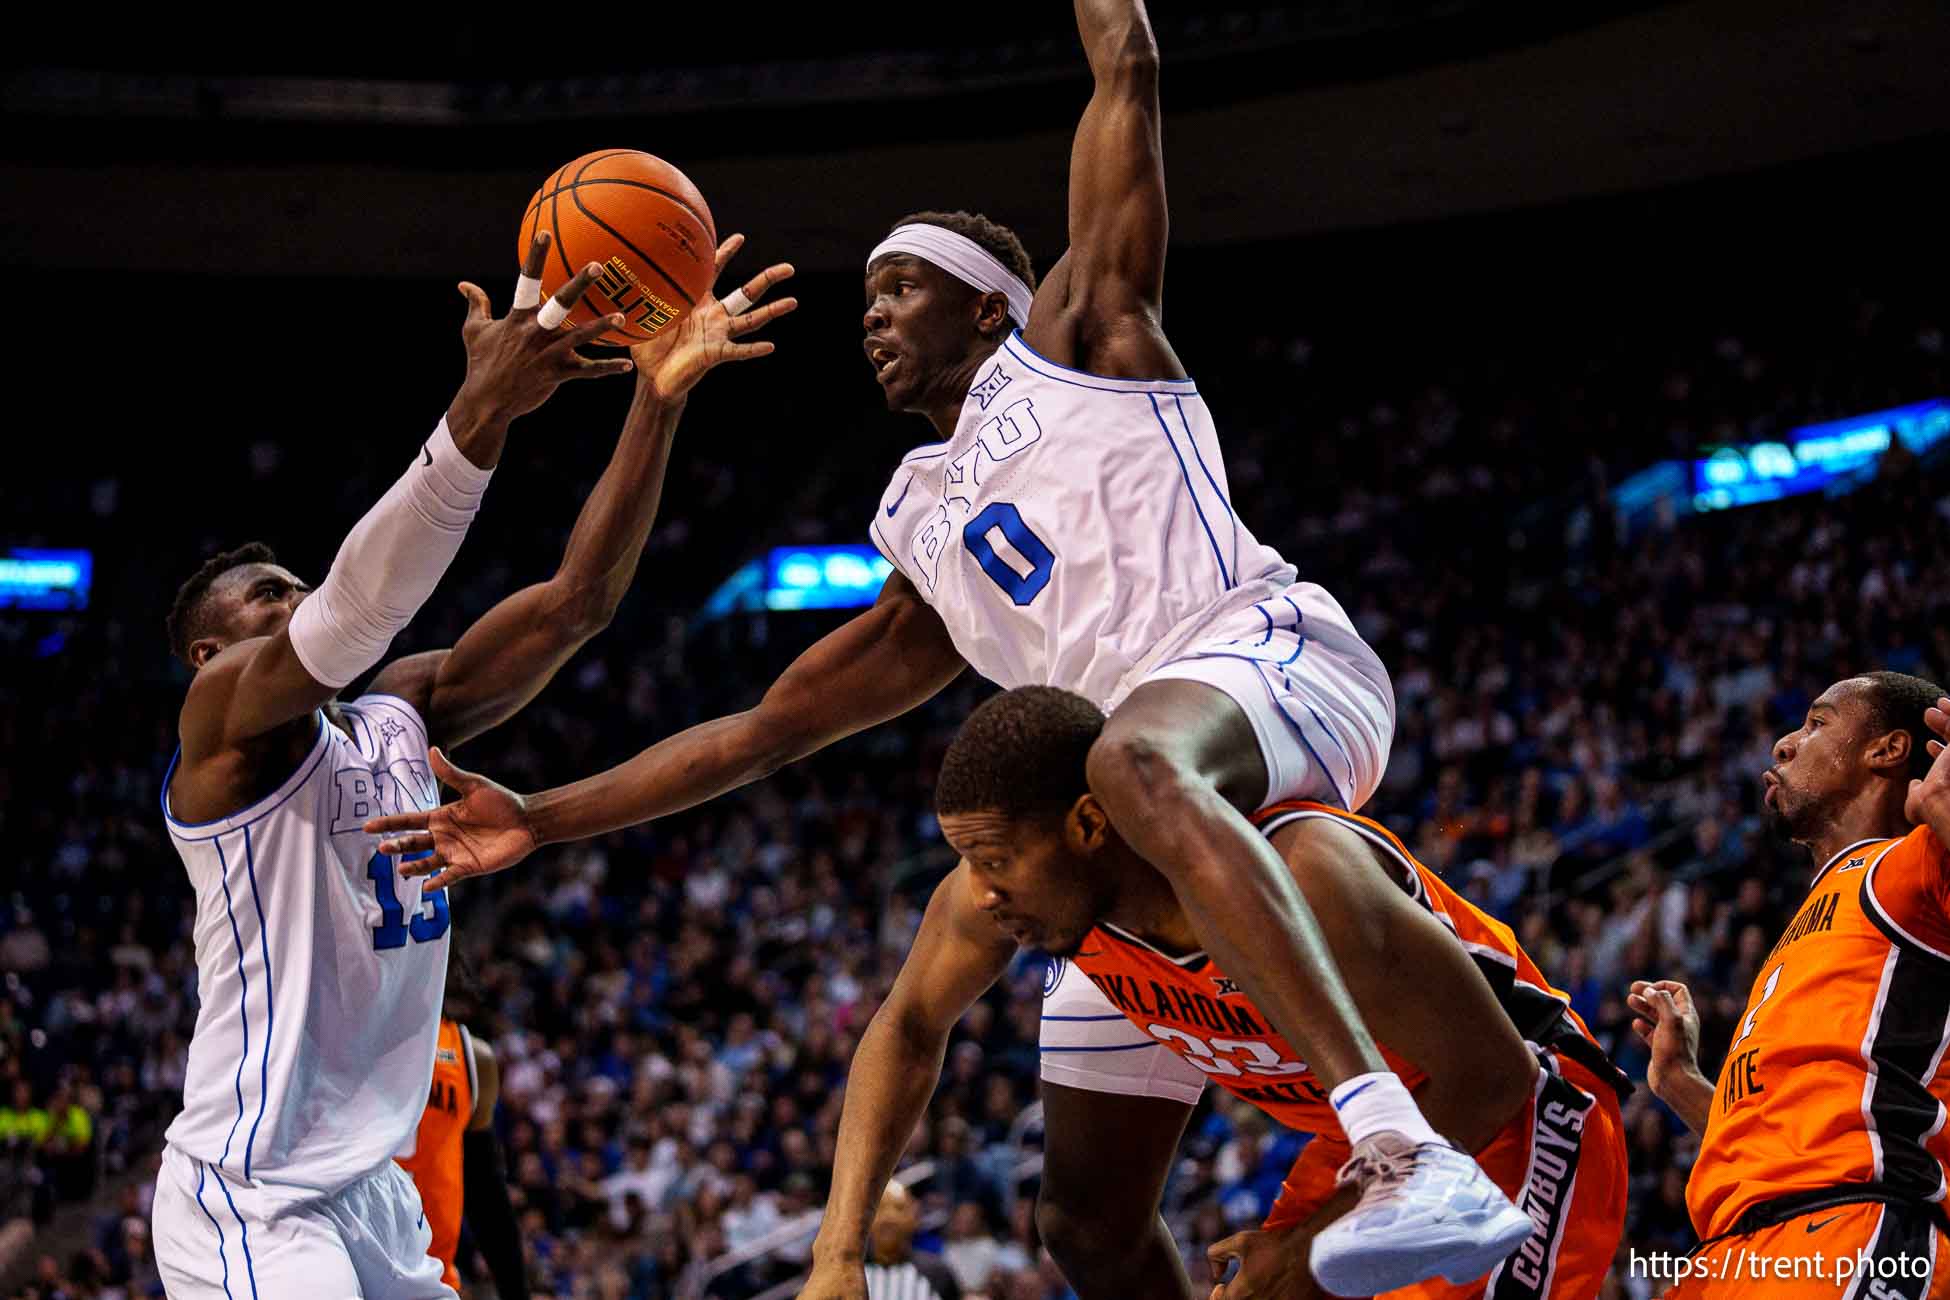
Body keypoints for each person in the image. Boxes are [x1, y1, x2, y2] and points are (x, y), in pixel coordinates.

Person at [368, 3, 1527, 1288]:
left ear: (990, 310)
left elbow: (1125, 66)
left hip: (1269, 660)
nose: (872, 315)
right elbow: (761, 733)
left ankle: (1398, 1147)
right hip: (1137, 816)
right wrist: (542, 815)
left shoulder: (1089, 341)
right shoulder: (925, 534)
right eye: (866, 295)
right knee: (1082, 1221)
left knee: (1132, 765)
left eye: (901, 287)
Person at [147, 231, 794, 1299]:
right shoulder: (220, 728)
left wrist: (657, 401)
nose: (296, 598)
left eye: (297, 581)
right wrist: (481, 410)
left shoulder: (401, 709)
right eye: (268, 596)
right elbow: (357, 609)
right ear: (209, 655)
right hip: (252, 1192)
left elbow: (578, 602)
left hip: (375, 1190)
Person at [801, 687, 1631, 1300]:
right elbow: (907, 1025)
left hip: (1522, 1113)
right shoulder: (1040, 899)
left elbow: (1492, 1073)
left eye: (994, 859)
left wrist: (1307, 1248)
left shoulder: (1301, 871)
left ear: (1090, 826)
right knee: (1099, 1227)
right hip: (1370, 1147)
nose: (979, 891)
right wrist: (837, 1256)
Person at [1627, 672, 1950, 1297]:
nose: (1783, 743)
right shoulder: (1817, 912)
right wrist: (1684, 1084)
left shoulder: (1906, 869)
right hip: (1733, 1252)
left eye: (1818, 723)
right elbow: (1789, 1137)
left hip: (1854, 1231)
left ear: (1885, 750)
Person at [397, 960, 528, 1298]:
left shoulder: (470, 1056)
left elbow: (486, 1191)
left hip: (431, 1276)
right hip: (353, 1266)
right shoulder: (343, 1039)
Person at [864, 1180, 962, 1300]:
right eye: (880, 1208)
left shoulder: (937, 1273)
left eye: (899, 1209)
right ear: (866, 1218)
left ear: (915, 1218)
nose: (888, 1218)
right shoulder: (851, 1270)